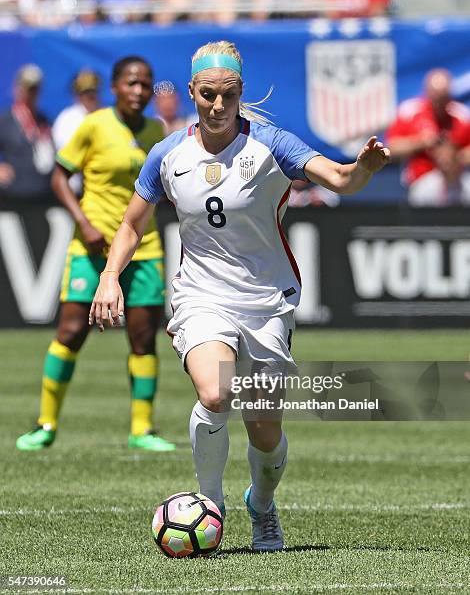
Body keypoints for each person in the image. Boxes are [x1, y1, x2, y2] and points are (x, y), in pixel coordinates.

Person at [89, 40, 389, 551]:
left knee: (264, 434)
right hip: (201, 296)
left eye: (227, 95)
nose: (217, 105)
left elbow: (340, 179)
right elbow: (131, 225)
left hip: (267, 302)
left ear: (240, 93)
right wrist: (109, 275)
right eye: (207, 94)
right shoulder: (167, 155)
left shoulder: (270, 145)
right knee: (214, 393)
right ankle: (210, 503)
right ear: (192, 93)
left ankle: (262, 505)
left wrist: (363, 168)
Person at [16, 55, 175, 453]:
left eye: (145, 85)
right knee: (70, 332)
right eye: (131, 84)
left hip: (145, 247)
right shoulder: (94, 125)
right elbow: (58, 175)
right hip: (91, 247)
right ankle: (46, 423)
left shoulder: (158, 130)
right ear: (116, 87)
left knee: (142, 338)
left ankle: (142, 429)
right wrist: (84, 223)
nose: (139, 92)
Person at [386, 68, 470, 206]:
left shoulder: (461, 115)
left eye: (443, 98)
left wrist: (455, 155)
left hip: (457, 178)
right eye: (436, 97)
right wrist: (422, 142)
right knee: (426, 194)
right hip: (422, 178)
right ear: (427, 93)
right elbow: (391, 147)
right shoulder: (410, 111)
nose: (440, 103)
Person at [0, 63, 55, 202]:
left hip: (42, 194)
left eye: (35, 88)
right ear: (17, 88)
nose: (31, 93)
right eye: (28, 88)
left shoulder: (43, 120)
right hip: (13, 198)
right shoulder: (6, 120)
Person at [52, 69, 101, 194]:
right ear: (77, 95)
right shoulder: (67, 118)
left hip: (100, 189)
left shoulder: (104, 115)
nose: (90, 97)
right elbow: (65, 155)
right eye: (85, 92)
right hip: (74, 189)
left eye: (93, 91)